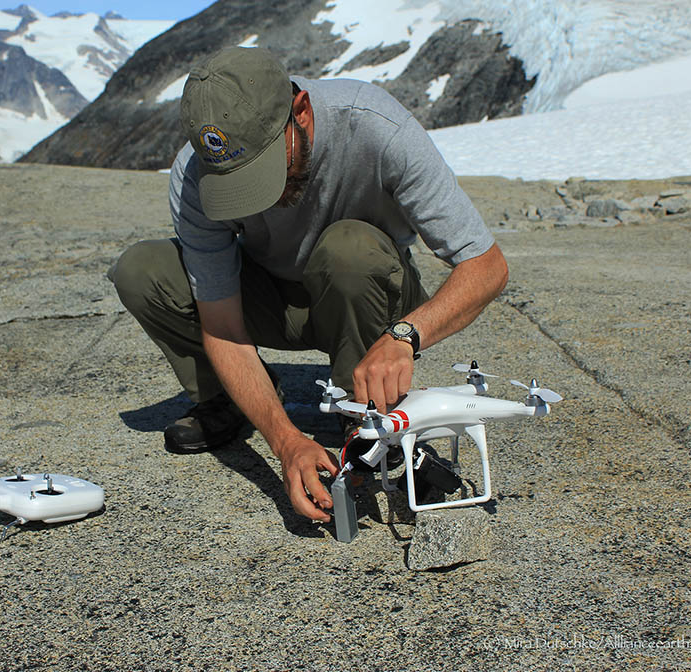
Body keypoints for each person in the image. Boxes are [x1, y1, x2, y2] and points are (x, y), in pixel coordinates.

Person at [109, 46, 507, 524]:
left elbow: (486, 266)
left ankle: (362, 413)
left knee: (349, 248)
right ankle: (234, 398)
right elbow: (220, 323)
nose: (265, 196)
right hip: (272, 299)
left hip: (370, 297)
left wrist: (406, 335)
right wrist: (286, 441)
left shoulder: (378, 127)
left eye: (265, 170)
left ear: (300, 111)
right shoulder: (196, 175)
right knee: (142, 270)